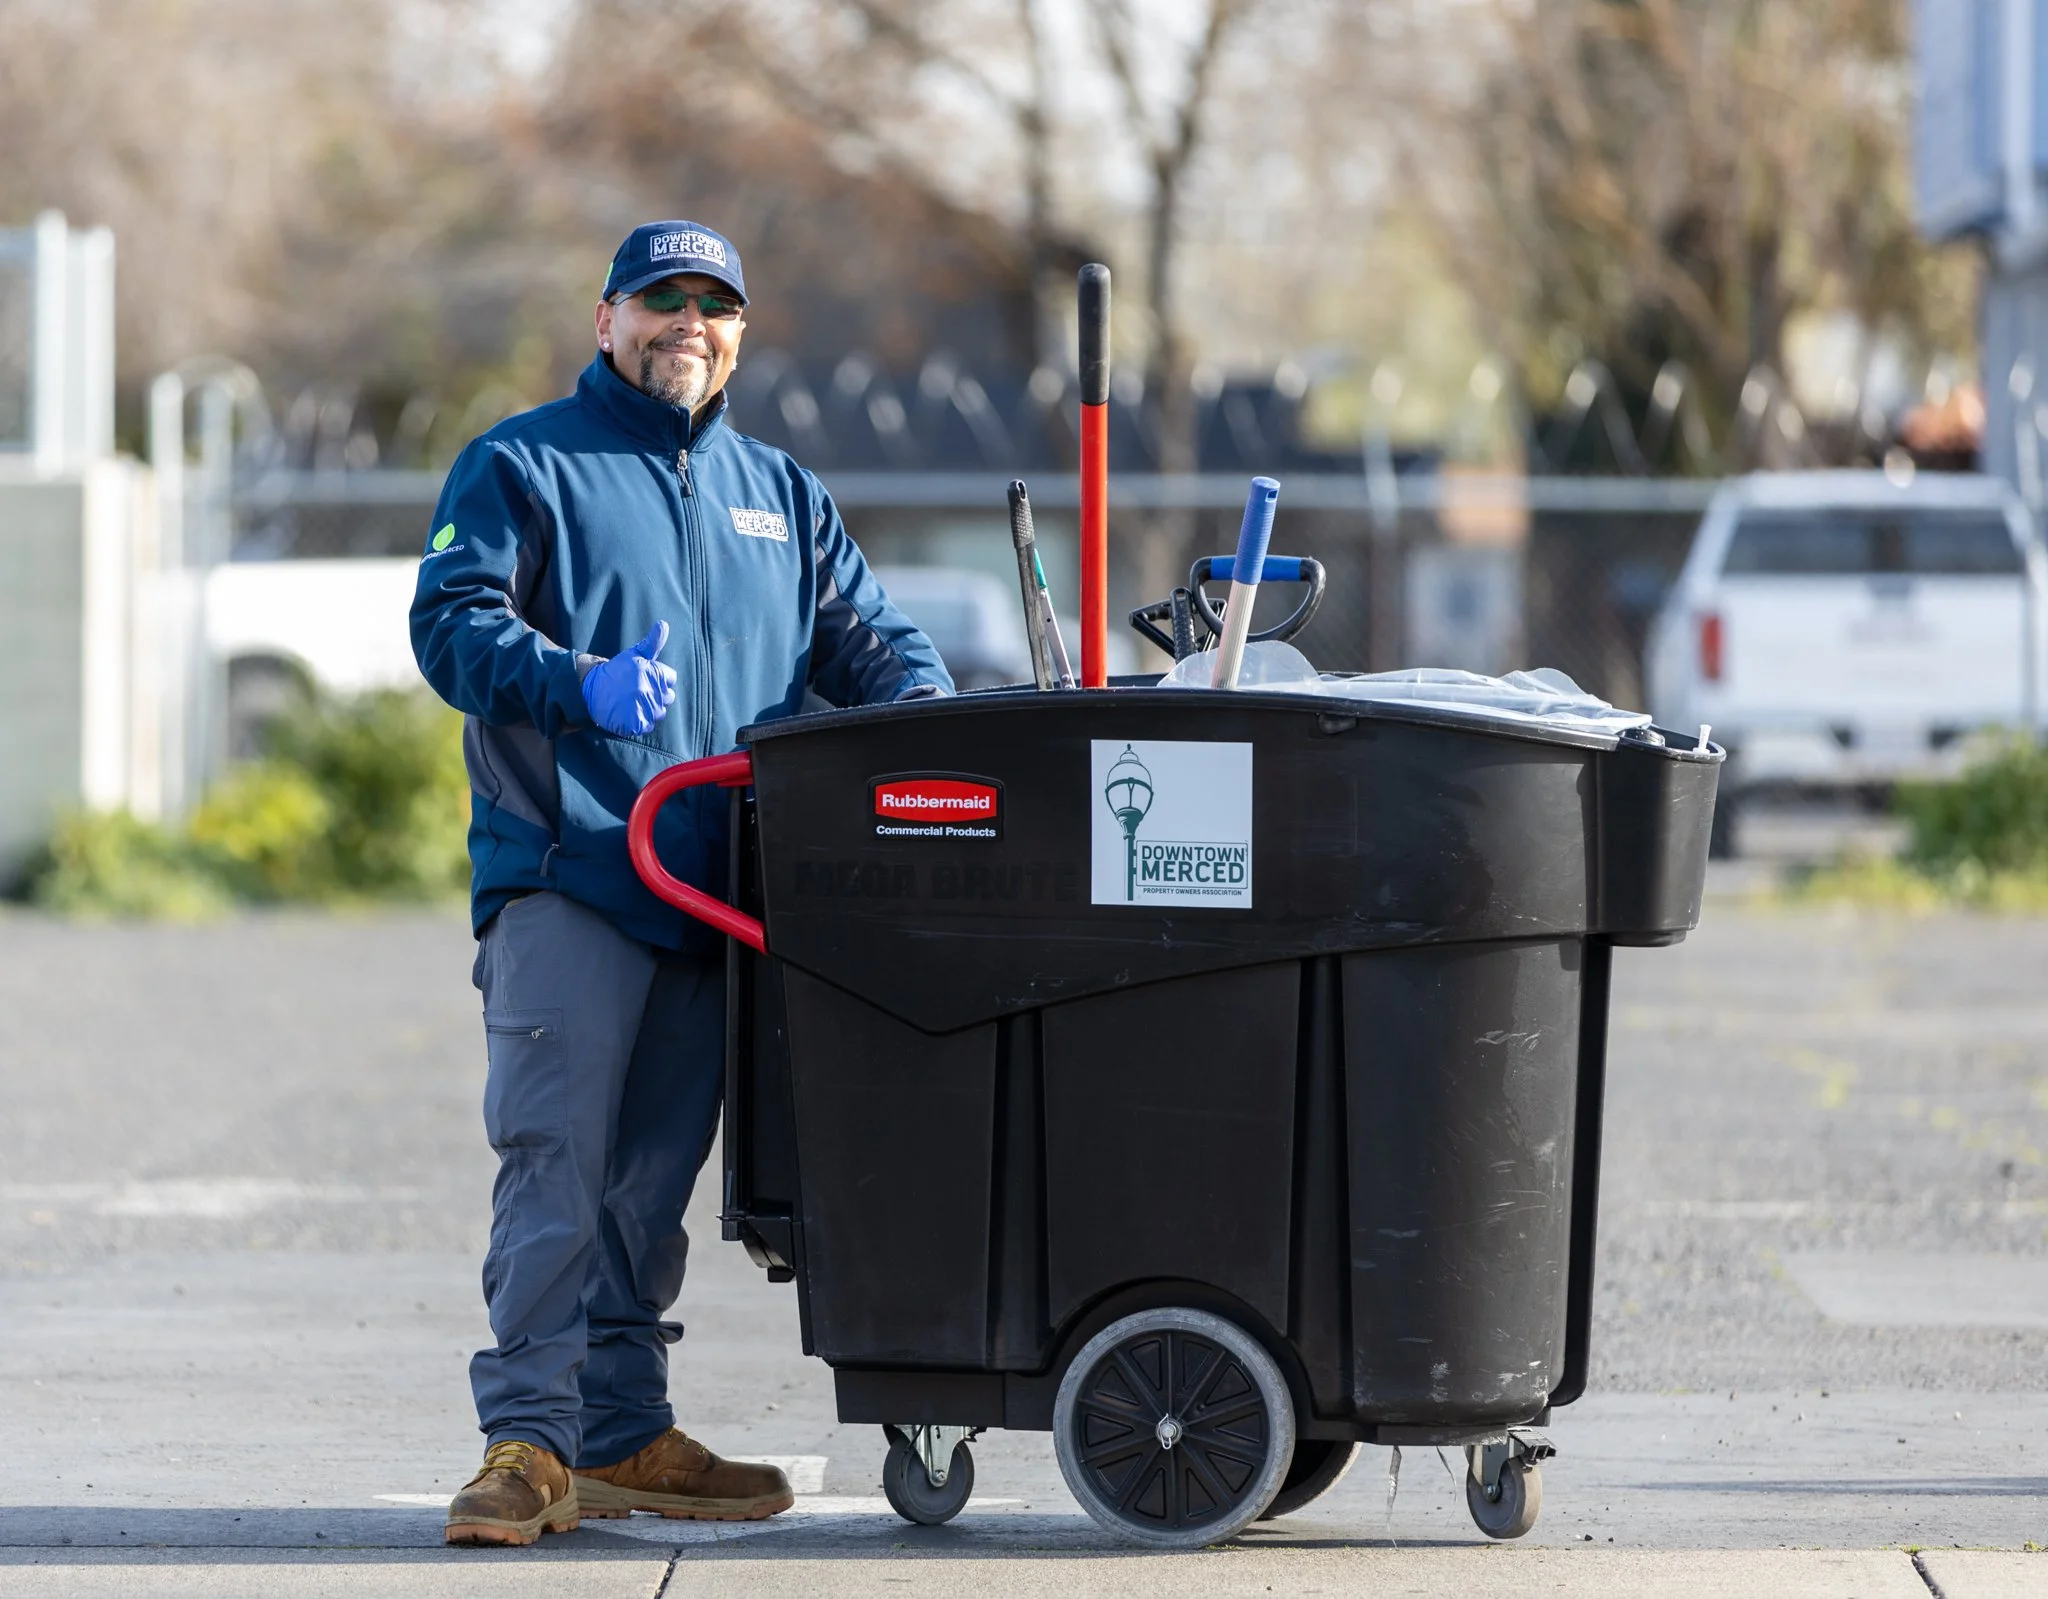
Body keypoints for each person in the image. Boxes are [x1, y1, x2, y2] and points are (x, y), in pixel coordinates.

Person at [410, 220, 952, 1547]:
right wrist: (572, 679)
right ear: (606, 318)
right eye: (662, 299)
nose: (687, 322)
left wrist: (937, 720)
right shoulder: (524, 463)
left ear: (741, 334)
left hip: (714, 895)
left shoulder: (782, 492)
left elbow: (868, 639)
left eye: (714, 304)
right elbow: (450, 622)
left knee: (651, 1181)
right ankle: (526, 1442)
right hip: (573, 869)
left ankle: (620, 1431)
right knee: (558, 1162)